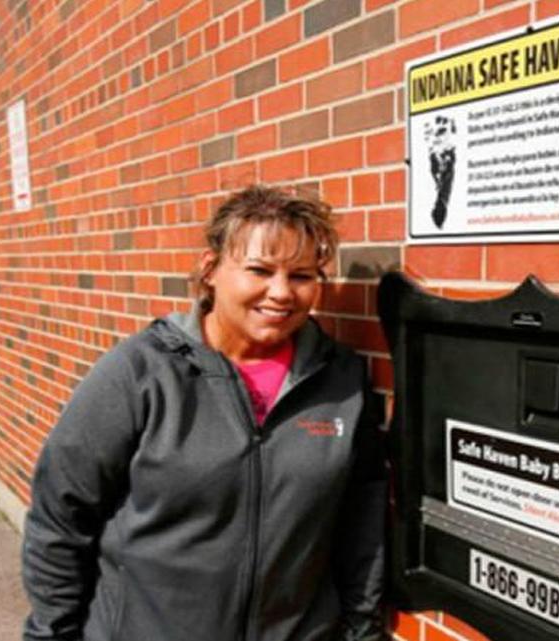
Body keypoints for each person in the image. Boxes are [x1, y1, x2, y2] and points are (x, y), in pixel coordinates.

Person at [21, 185, 388, 641]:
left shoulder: (341, 380)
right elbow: (60, 516)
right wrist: (51, 634)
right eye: (259, 270)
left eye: (301, 276)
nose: (281, 292)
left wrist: (362, 631)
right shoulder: (140, 372)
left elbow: (361, 523)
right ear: (211, 269)